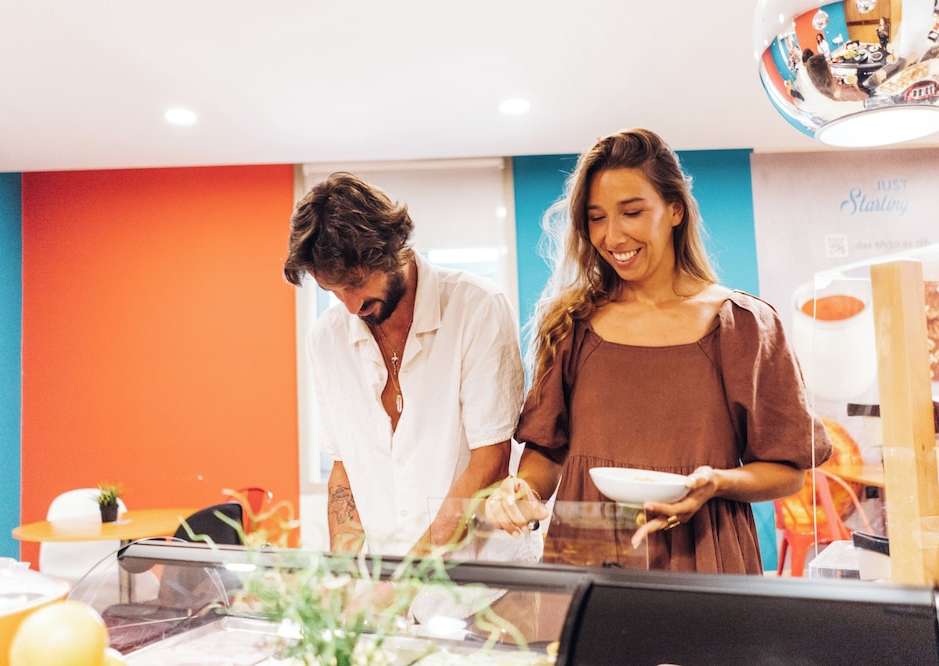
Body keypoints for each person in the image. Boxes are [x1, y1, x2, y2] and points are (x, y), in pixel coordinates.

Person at [485, 129, 832, 574]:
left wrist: (717, 483)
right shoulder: (571, 325)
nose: (612, 236)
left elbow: (788, 471)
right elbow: (546, 454)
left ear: (675, 210)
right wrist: (523, 493)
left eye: (632, 212)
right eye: (596, 218)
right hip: (588, 560)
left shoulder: (745, 325)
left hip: (705, 558)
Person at [283, 172, 526, 558]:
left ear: (393, 249)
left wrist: (407, 575)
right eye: (333, 290)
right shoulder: (326, 338)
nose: (351, 306)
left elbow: (490, 461)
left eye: (356, 283)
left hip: (483, 574)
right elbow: (344, 470)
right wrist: (346, 576)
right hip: (389, 581)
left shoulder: (477, 306)